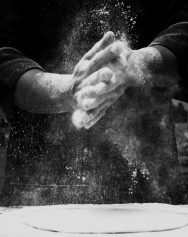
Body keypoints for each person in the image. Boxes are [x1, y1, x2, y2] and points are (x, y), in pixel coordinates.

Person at [0, 0, 188, 205]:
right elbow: (4, 54)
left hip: (149, 179)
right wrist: (67, 90)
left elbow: (183, 28)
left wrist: (137, 64)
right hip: (37, 181)